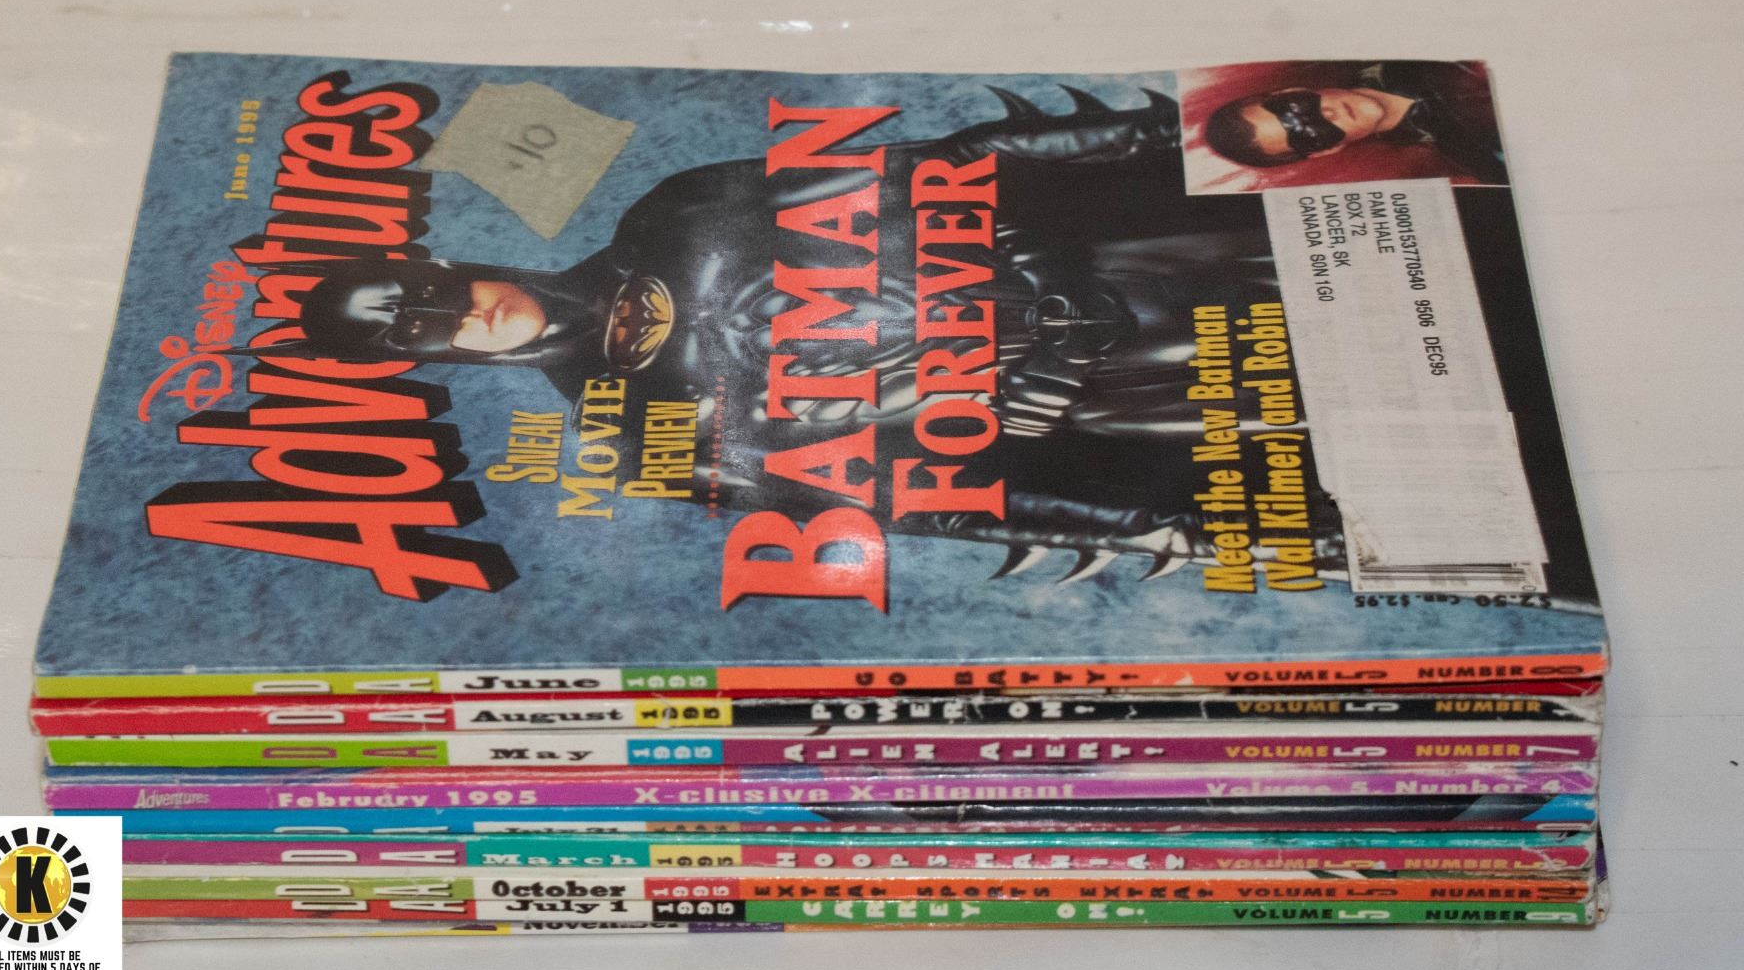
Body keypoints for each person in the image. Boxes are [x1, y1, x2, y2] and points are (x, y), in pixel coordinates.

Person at [259, 85, 1346, 584]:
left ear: (443, 263)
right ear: (425, 361)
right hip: (1166, 398)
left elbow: (949, 162)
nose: (466, 315)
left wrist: (1169, 136)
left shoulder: (677, 210)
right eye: (424, 333)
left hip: (1172, 250)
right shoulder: (643, 441)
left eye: (433, 292)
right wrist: (1199, 531)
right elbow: (935, 502)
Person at [1204, 61, 1507, 184]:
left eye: (1294, 109)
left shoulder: (1395, 46)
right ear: (1325, 151)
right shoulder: (1468, 161)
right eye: (1307, 134)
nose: (1328, 115)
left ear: (1291, 91)